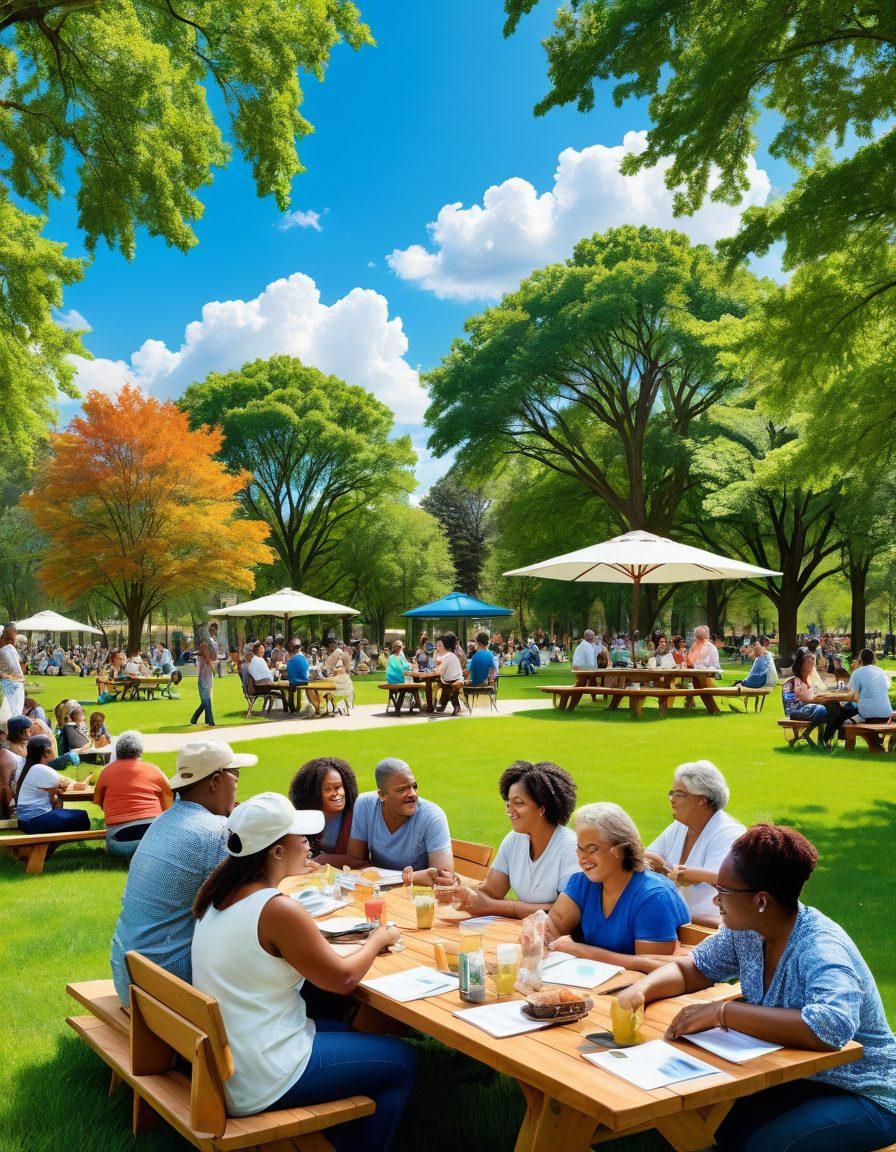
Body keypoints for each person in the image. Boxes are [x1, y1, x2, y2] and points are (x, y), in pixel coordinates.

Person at [617, 824, 896, 1152]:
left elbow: (830, 1029)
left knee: (770, 1146)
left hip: (866, 1091)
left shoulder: (820, 947)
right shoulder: (746, 930)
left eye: (724, 891)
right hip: (799, 1078)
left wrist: (724, 1012)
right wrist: (642, 990)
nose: (716, 899)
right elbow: (693, 967)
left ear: (761, 900)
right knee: (708, 1119)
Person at [191, 792, 416, 1149]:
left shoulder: (220, 892)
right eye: (302, 838)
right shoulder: (276, 909)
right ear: (276, 852)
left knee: (344, 1028)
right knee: (403, 1061)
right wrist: (377, 938)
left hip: (237, 1059)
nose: (311, 844)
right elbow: (342, 979)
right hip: (261, 1076)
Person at [109, 738, 257, 1007]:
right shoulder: (214, 832)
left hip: (128, 976)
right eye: (235, 776)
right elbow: (249, 908)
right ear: (215, 781)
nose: (237, 785)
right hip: (167, 990)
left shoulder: (162, 822)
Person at [546, 802, 689, 972]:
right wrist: (537, 935)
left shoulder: (654, 895)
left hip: (640, 992)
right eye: (580, 849)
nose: (583, 858)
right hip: (595, 984)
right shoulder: (582, 883)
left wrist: (578, 950)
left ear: (620, 850)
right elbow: (551, 927)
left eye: (592, 850)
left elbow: (650, 968)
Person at [455, 760, 579, 918]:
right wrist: (454, 885)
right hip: (525, 933)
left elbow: (564, 912)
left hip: (562, 939)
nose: (509, 811)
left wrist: (497, 907)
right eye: (508, 803)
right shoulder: (513, 840)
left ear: (542, 808)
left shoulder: (569, 847)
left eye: (518, 803)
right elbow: (491, 891)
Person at [644, 761, 745, 927]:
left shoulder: (729, 833)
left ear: (703, 800)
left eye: (680, 795)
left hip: (709, 927)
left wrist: (674, 872)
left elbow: (721, 880)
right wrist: (668, 867)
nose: (672, 800)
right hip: (676, 919)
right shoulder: (680, 826)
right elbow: (646, 856)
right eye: (672, 793)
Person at [346, 757, 453, 885]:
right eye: (402, 789)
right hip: (379, 891)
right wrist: (411, 877)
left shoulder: (432, 817)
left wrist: (384, 877)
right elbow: (355, 863)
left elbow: (443, 879)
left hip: (417, 895)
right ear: (382, 795)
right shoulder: (365, 805)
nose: (413, 794)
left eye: (414, 786)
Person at [94, 731, 173, 857]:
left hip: (119, 841)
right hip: (155, 838)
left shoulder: (106, 772)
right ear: (140, 751)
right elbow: (169, 800)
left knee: (113, 845)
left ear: (118, 751)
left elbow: (98, 800)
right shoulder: (154, 769)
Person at [289, 756, 359, 866]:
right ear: (313, 794)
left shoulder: (356, 817)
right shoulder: (302, 819)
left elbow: (360, 861)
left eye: (339, 787)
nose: (336, 793)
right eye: (328, 789)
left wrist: (324, 860)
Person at [14, 734, 91, 835]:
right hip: (35, 821)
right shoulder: (41, 769)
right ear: (47, 751)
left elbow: (57, 792)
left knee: (69, 813)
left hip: (27, 821)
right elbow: (69, 784)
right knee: (83, 816)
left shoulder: (30, 768)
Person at [823, 647, 893, 747]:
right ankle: (835, 738)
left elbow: (851, 696)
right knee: (846, 710)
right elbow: (884, 688)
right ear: (874, 660)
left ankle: (827, 740)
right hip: (886, 713)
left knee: (841, 712)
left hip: (867, 714)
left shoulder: (858, 672)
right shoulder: (881, 672)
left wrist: (831, 696)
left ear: (860, 660)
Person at [782, 647, 829, 745]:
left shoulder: (811, 680)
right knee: (821, 710)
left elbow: (818, 693)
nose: (812, 664)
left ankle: (821, 740)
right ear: (801, 664)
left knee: (828, 709)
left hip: (808, 708)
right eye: (809, 662)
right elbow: (794, 704)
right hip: (795, 710)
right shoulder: (792, 683)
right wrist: (815, 700)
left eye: (813, 662)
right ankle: (807, 734)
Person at [435, 634, 464, 715]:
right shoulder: (442, 656)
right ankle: (444, 705)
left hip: (453, 679)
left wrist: (438, 665)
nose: (437, 647)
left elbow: (439, 672)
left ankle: (444, 705)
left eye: (440, 645)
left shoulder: (449, 656)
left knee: (448, 688)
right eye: (437, 645)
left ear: (445, 646)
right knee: (446, 688)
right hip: (447, 679)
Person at [0, 623, 25, 717]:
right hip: (8, 683)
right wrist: (3, 675)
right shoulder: (5, 648)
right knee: (12, 712)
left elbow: (16, 667)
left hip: (16, 683)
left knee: (14, 712)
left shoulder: (11, 648)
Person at [190, 640, 217, 727]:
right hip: (203, 681)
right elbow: (195, 654)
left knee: (205, 702)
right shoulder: (202, 656)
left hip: (206, 681)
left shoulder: (205, 655)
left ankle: (195, 718)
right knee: (207, 702)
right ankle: (210, 721)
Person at [324, 639, 354, 716]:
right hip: (344, 679)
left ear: (333, 645)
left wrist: (332, 671)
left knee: (324, 688)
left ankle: (330, 708)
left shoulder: (337, 653)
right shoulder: (341, 653)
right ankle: (334, 707)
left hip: (339, 679)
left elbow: (330, 667)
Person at [284, 639, 313, 717]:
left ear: (292, 649)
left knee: (290, 690)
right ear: (300, 648)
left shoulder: (290, 661)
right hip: (305, 681)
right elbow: (307, 672)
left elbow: (289, 674)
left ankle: (292, 710)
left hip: (294, 682)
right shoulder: (305, 659)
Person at [384, 640, 413, 711]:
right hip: (397, 679)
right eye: (401, 647)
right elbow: (401, 669)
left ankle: (397, 705)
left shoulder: (392, 657)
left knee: (407, 686)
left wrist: (410, 666)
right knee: (407, 688)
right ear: (400, 648)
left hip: (391, 679)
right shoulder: (396, 658)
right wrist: (411, 666)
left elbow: (404, 666)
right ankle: (398, 706)